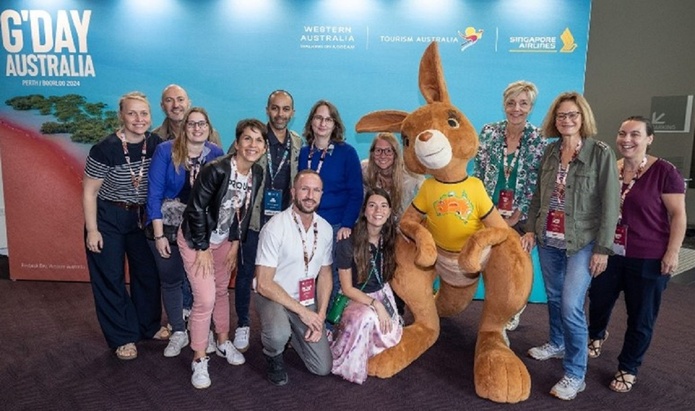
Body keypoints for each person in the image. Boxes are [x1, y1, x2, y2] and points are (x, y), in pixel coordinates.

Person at [521, 92, 620, 400]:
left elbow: (610, 204)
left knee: (570, 305)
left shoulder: (599, 152)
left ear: (583, 117)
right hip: (549, 240)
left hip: (583, 242)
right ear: (555, 119)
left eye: (573, 115)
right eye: (562, 115)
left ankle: (576, 374)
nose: (567, 120)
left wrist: (603, 248)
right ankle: (557, 341)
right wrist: (530, 229)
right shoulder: (550, 152)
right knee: (553, 295)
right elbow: (539, 194)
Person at [587, 116, 686, 393]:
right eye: (622, 133)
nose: (626, 140)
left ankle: (628, 367)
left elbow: (678, 215)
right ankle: (596, 336)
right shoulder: (612, 168)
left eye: (635, 134)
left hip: (649, 257)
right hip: (610, 252)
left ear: (649, 138)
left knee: (641, 316)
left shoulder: (665, 172)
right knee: (598, 300)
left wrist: (672, 253)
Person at [177, 118, 266, 389]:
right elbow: (195, 209)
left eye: (259, 140)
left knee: (219, 292)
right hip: (196, 240)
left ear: (264, 147)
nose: (253, 145)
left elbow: (244, 211)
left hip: (225, 240)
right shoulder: (215, 170)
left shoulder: (257, 173)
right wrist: (203, 247)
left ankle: (223, 340)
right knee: (204, 299)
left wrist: (236, 243)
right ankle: (199, 357)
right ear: (237, 143)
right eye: (247, 139)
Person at [82, 91, 163, 360]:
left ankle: (147, 327)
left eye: (144, 113)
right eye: (132, 113)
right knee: (111, 277)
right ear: (121, 116)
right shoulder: (104, 149)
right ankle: (123, 337)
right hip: (109, 218)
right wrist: (92, 230)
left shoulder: (156, 144)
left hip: (142, 219)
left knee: (148, 274)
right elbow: (89, 192)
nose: (138, 119)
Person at [146, 107, 224, 357]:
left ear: (209, 127)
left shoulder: (216, 154)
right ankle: (178, 330)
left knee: (200, 282)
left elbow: (219, 199)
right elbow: (154, 194)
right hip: (167, 226)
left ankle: (201, 330)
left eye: (202, 124)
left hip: (199, 230)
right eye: (192, 124)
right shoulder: (165, 150)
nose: (197, 128)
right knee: (171, 279)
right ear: (184, 127)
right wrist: (158, 235)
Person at [229, 90, 302, 354]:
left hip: (282, 226)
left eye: (285, 109)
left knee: (279, 277)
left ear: (292, 113)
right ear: (267, 109)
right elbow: (231, 169)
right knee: (246, 273)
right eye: (275, 108)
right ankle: (243, 325)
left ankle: (282, 325)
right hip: (253, 221)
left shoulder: (297, 142)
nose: (280, 114)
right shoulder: (254, 139)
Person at [474, 80, 547, 331]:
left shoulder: (538, 137)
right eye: (511, 102)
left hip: (523, 213)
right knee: (487, 260)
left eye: (523, 103)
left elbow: (538, 180)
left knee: (518, 264)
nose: (517, 108)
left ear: (531, 107)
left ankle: (515, 308)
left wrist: (519, 214)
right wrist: (484, 209)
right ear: (504, 105)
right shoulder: (489, 131)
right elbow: (480, 172)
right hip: (488, 208)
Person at [254, 169, 334, 386]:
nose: (310, 195)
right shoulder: (275, 228)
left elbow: (325, 273)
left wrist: (320, 316)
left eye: (316, 190)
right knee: (278, 334)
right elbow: (263, 283)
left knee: (322, 368)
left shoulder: (325, 229)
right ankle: (273, 353)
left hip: (306, 300)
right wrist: (304, 314)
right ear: (293, 192)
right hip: (273, 295)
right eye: (304, 189)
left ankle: (293, 333)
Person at [330, 188, 403, 384]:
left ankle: (370, 350)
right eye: (372, 205)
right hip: (354, 297)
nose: (377, 210)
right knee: (368, 317)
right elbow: (346, 288)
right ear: (364, 211)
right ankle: (348, 361)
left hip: (381, 293)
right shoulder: (348, 241)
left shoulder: (389, 238)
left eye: (383, 206)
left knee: (390, 332)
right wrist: (375, 305)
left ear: (389, 212)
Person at [299, 100, 363, 306]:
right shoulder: (303, 153)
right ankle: (306, 315)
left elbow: (356, 193)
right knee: (306, 272)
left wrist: (347, 224)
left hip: (336, 225)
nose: (323, 123)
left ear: (335, 124)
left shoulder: (347, 153)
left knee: (333, 276)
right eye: (318, 118)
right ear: (311, 122)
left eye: (328, 119)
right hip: (307, 224)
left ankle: (328, 324)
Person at [361, 132, 424, 220]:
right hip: (375, 223)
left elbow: (428, 196)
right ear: (372, 153)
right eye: (378, 150)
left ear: (396, 153)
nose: (383, 156)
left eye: (388, 151)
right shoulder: (364, 169)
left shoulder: (411, 173)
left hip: (402, 225)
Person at [153, 84, 221, 144]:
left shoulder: (209, 134)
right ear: (162, 106)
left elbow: (220, 158)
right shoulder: (153, 138)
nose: (176, 105)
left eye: (180, 99)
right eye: (169, 100)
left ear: (189, 103)